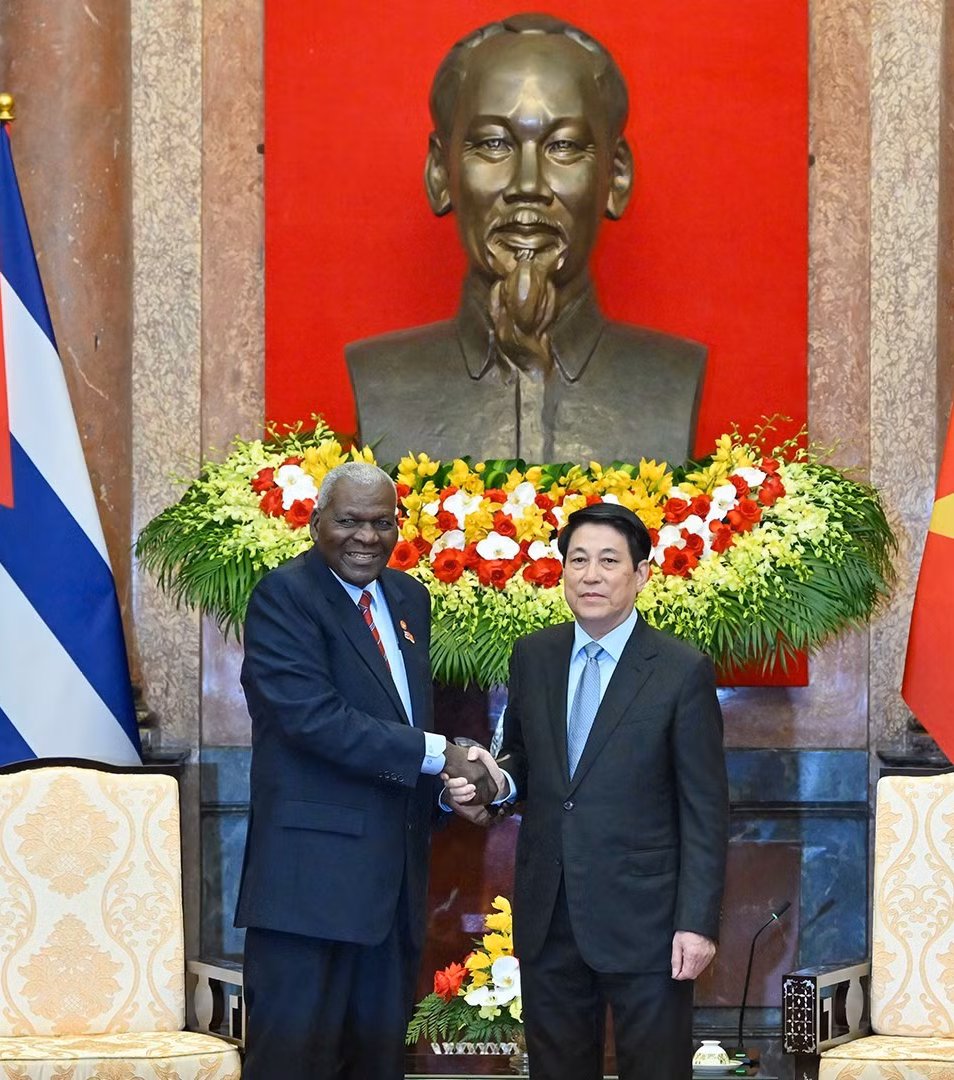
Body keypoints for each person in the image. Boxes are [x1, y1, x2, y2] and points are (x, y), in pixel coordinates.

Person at [347, 13, 706, 466]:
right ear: (441, 173)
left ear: (615, 177)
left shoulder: (672, 377)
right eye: (494, 144)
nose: (528, 184)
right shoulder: (381, 379)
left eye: (564, 146)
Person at [235, 461, 496, 1080]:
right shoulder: (285, 596)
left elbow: (400, 713)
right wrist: (438, 754)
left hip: (392, 893)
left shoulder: (409, 597)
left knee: (377, 1065)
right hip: (309, 892)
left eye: (382, 523)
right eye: (349, 521)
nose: (366, 537)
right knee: (292, 1066)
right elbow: (314, 719)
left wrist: (444, 792)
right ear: (315, 521)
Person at [449, 502, 728, 1079]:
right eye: (578, 560)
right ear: (562, 572)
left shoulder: (680, 669)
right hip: (550, 915)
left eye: (608, 561)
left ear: (642, 574)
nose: (591, 575)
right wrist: (498, 780)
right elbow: (527, 758)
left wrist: (697, 922)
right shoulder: (536, 655)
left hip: (648, 922)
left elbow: (705, 809)